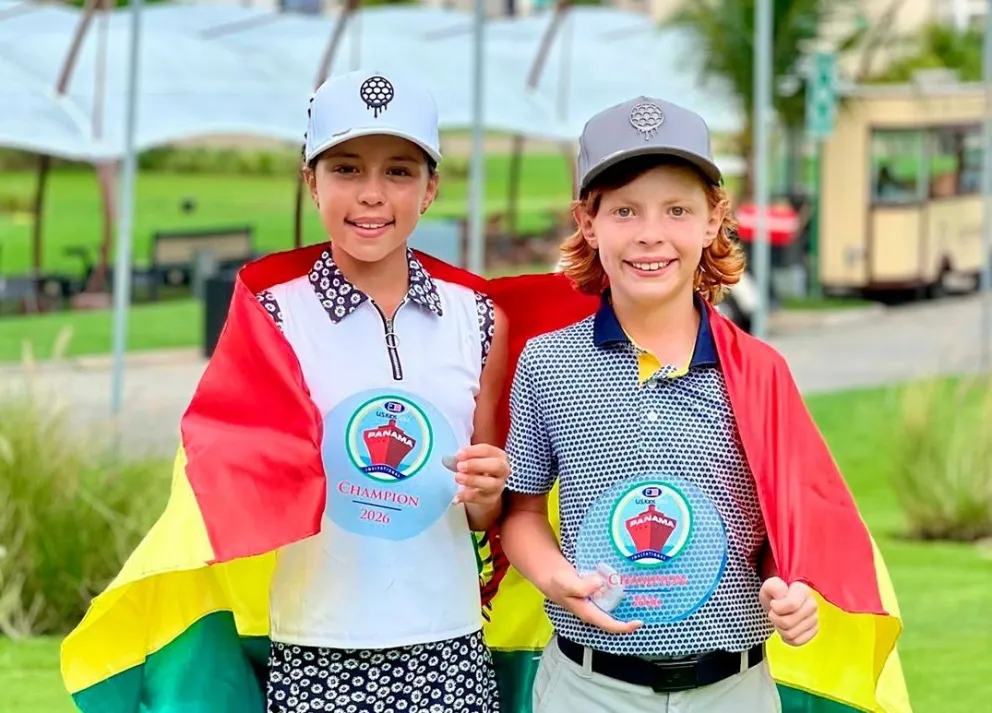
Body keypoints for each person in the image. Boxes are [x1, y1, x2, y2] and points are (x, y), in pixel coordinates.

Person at [497, 96, 825, 713]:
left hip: (732, 691)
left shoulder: (757, 372)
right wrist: (552, 577)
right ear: (588, 223)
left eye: (676, 209)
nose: (651, 234)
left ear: (712, 220)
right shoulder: (547, 363)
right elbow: (520, 512)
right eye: (624, 210)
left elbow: (791, 529)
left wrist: (793, 591)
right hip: (588, 689)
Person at [254, 70, 509, 713]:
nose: (372, 195)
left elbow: (485, 514)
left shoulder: (478, 319)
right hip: (316, 646)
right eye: (345, 169)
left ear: (430, 190)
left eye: (399, 171)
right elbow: (246, 478)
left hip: (447, 642)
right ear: (311, 181)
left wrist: (488, 493)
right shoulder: (272, 317)